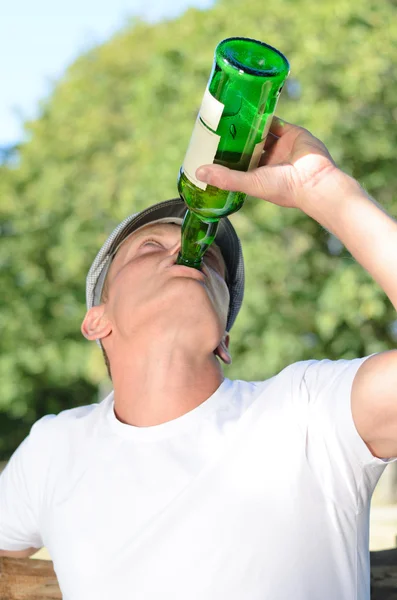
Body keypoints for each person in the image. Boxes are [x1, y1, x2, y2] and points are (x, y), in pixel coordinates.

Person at [1, 117, 396, 600]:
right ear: (96, 321)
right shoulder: (52, 449)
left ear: (223, 339)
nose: (192, 249)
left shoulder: (308, 414)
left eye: (210, 258)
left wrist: (324, 188)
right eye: (149, 246)